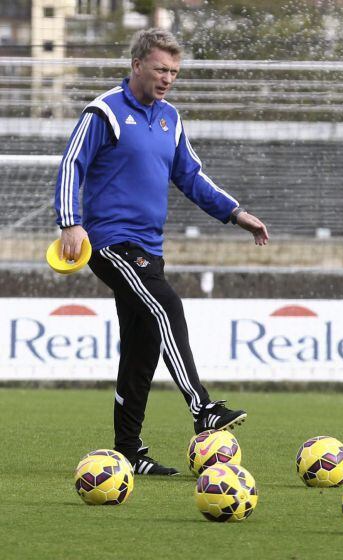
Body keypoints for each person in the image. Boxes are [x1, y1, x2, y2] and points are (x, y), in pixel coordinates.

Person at [53, 28, 269, 475]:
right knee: (167, 304)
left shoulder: (170, 118)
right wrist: (69, 222)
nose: (168, 78)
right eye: (160, 69)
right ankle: (202, 408)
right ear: (137, 66)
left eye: (174, 71)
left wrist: (235, 213)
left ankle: (128, 450)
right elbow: (72, 163)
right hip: (109, 242)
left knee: (142, 347)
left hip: (150, 248)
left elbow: (191, 176)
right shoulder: (105, 111)